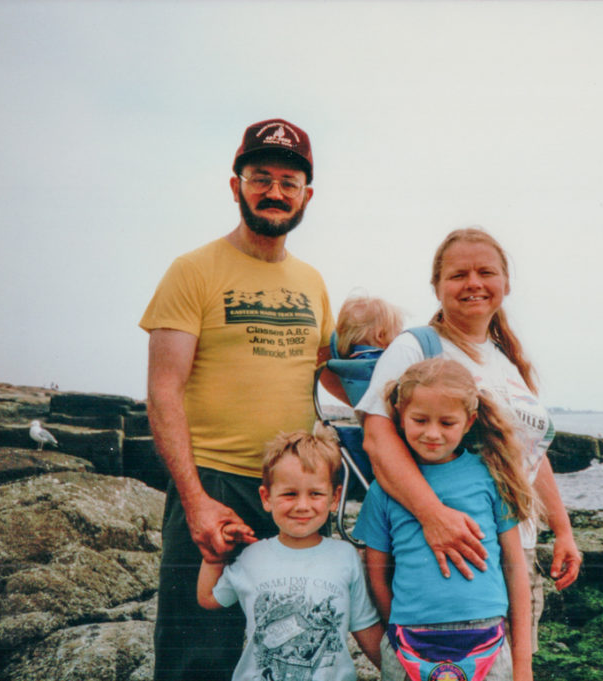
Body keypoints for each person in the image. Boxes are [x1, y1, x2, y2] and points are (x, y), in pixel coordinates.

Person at [140, 118, 340, 680]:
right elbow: (163, 391)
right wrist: (196, 499)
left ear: (306, 196)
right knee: (197, 656)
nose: (274, 192)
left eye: (288, 181)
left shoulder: (312, 281)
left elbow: (334, 375)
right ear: (236, 185)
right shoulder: (192, 270)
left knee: (288, 650)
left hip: (291, 496)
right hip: (214, 485)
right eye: (260, 177)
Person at [356, 227, 582, 652]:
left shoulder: (506, 360)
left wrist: (563, 529)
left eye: (486, 272)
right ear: (437, 286)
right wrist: (433, 515)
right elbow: (377, 439)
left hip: (517, 550)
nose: (474, 283)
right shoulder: (416, 348)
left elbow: (528, 452)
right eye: (459, 274)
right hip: (448, 551)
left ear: (506, 284)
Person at [354, 358, 536, 681]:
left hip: (488, 642)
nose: (432, 433)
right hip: (408, 641)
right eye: (420, 420)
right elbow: (376, 574)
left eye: (447, 423)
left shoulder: (491, 477)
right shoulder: (385, 489)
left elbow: (516, 569)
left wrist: (523, 664)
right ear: (399, 416)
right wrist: (397, 630)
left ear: (469, 422)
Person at [197, 431, 383, 680]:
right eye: (289, 494)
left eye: (315, 494)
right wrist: (214, 557)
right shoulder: (251, 556)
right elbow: (209, 598)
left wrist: (399, 672)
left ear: (334, 498)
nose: (302, 506)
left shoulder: (345, 556)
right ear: (266, 498)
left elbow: (366, 627)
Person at [335, 295, 404, 359]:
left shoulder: (350, 361)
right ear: (380, 336)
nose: (400, 338)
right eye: (399, 333)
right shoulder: (381, 361)